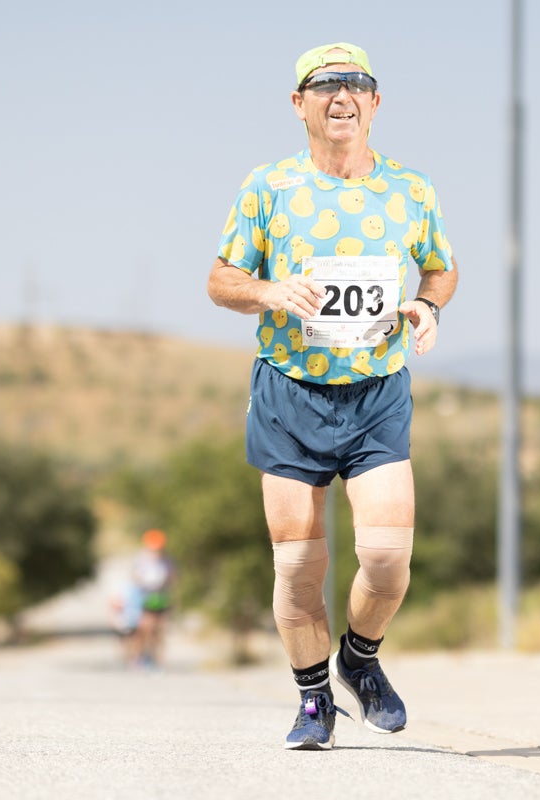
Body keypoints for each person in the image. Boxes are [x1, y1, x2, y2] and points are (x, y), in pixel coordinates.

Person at [206, 42, 458, 751]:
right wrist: (268, 291)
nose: (341, 95)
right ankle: (313, 698)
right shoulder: (268, 187)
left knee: (386, 559)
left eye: (356, 84)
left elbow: (441, 267)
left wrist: (427, 306)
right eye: (324, 85)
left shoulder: (411, 189)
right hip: (289, 392)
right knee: (298, 566)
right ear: (300, 104)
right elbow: (221, 280)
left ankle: (361, 659)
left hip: (376, 393)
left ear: (375, 102)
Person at [127, 528, 176, 669]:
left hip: (161, 595)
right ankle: (138, 657)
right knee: (144, 628)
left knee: (159, 628)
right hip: (145, 596)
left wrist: (166, 582)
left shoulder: (167, 560)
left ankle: (156, 659)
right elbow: (134, 576)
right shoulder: (141, 559)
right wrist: (145, 583)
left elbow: (173, 576)